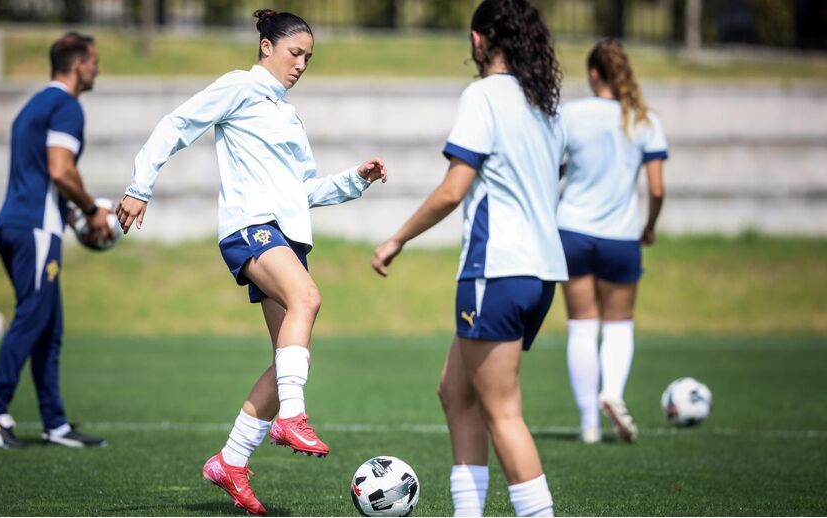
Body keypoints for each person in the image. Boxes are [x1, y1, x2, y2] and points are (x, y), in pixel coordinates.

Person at [116, 9, 386, 516]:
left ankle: (231, 461)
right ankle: (293, 417)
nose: (301, 64)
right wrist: (139, 186)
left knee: (286, 351)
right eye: (294, 53)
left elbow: (305, 189)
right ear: (266, 47)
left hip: (288, 236)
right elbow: (177, 124)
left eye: (308, 56)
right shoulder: (239, 87)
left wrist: (356, 178)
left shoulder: (288, 114)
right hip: (251, 227)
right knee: (308, 298)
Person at [372, 1, 564, 516]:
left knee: (502, 412)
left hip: (495, 271)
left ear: (480, 40)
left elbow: (454, 190)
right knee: (456, 393)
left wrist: (398, 238)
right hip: (541, 273)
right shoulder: (544, 102)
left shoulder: (483, 96)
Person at [0, 32, 112, 449]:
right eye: (94, 61)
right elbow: (59, 171)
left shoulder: (33, 105)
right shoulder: (66, 106)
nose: (98, 69)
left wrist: (72, 213)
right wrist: (90, 211)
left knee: (49, 326)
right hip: (34, 227)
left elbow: (39, 174)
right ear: (78, 64)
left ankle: (56, 423)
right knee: (32, 317)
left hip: (19, 223)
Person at [558, 38, 668, 445]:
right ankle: (613, 393)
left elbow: (552, 169)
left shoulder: (570, 115)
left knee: (581, 326)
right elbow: (656, 190)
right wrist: (650, 226)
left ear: (592, 73)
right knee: (618, 325)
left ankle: (589, 424)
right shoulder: (644, 120)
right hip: (621, 236)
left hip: (572, 231)